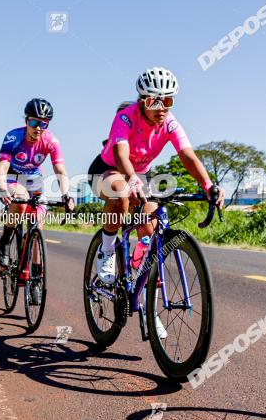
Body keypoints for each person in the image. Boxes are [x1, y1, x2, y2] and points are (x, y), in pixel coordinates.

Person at [87, 66, 223, 292]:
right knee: (120, 195)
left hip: (140, 175)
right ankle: (107, 250)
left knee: (150, 228)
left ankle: (141, 289)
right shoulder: (126, 117)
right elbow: (121, 155)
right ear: (142, 101)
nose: (161, 108)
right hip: (108, 169)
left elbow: (188, 156)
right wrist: (131, 179)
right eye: (154, 102)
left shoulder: (170, 123)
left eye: (167, 102)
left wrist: (208, 184)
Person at [0, 98, 75, 267]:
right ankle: (6, 240)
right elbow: (2, 167)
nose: (38, 128)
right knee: (20, 199)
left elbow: (60, 171)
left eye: (43, 124)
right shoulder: (13, 137)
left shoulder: (51, 141)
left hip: (34, 179)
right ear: (26, 121)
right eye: (34, 122)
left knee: (38, 223)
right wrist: (2, 189)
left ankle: (37, 273)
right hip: (13, 176)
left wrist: (66, 195)